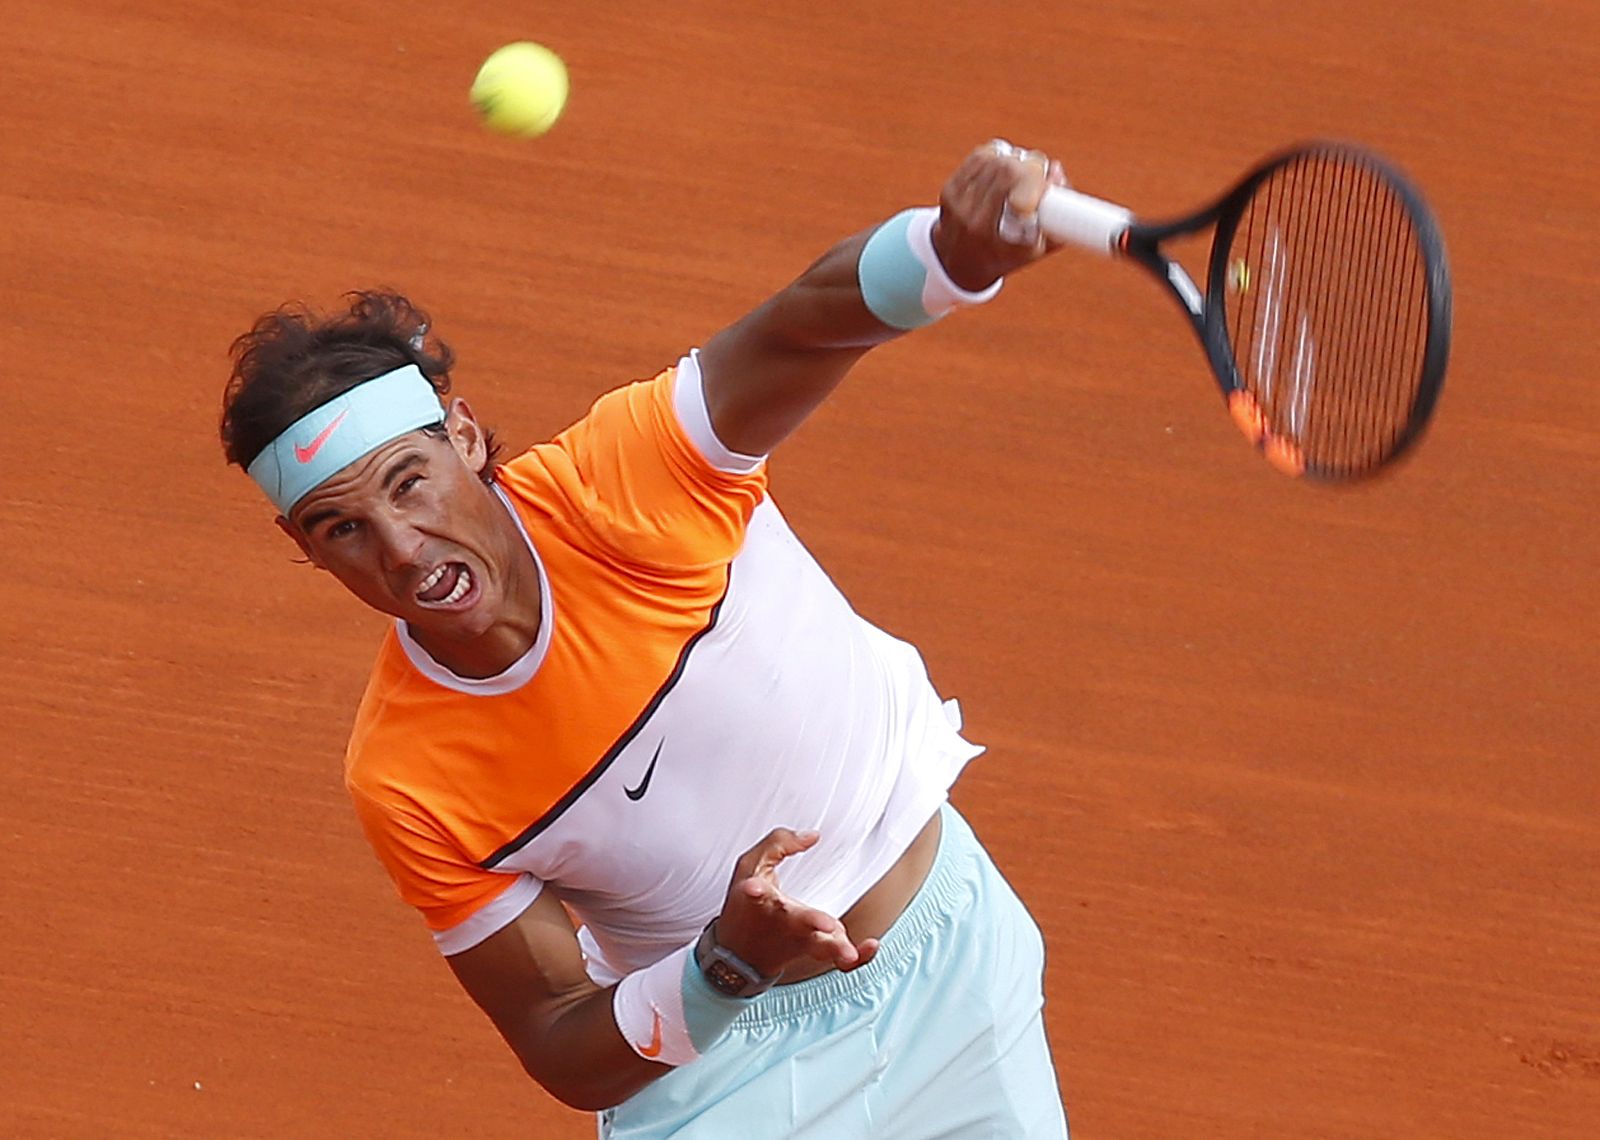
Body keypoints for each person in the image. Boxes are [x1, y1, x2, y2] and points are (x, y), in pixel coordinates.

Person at [221, 139, 1072, 1138]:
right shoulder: (410, 774)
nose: (401, 550)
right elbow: (558, 1038)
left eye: (409, 482)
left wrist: (949, 254)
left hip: (958, 968)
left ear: (460, 436)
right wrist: (726, 963)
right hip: (732, 1082)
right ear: (304, 547)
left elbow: (805, 323)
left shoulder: (627, 478)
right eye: (342, 528)